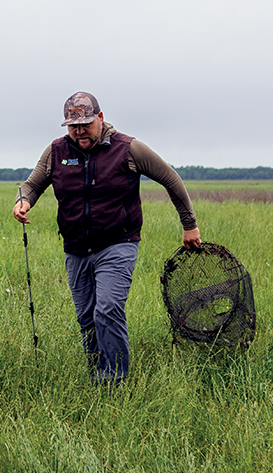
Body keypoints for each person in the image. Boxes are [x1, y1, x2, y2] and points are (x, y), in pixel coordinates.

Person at [13, 91, 201, 384]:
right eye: (72, 126)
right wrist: (23, 201)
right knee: (87, 317)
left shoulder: (128, 149)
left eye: (85, 124)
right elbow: (32, 184)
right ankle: (97, 374)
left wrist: (189, 224)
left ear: (99, 118)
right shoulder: (56, 151)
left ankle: (113, 381)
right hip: (75, 247)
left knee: (108, 308)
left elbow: (170, 178)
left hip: (117, 243)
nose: (79, 131)